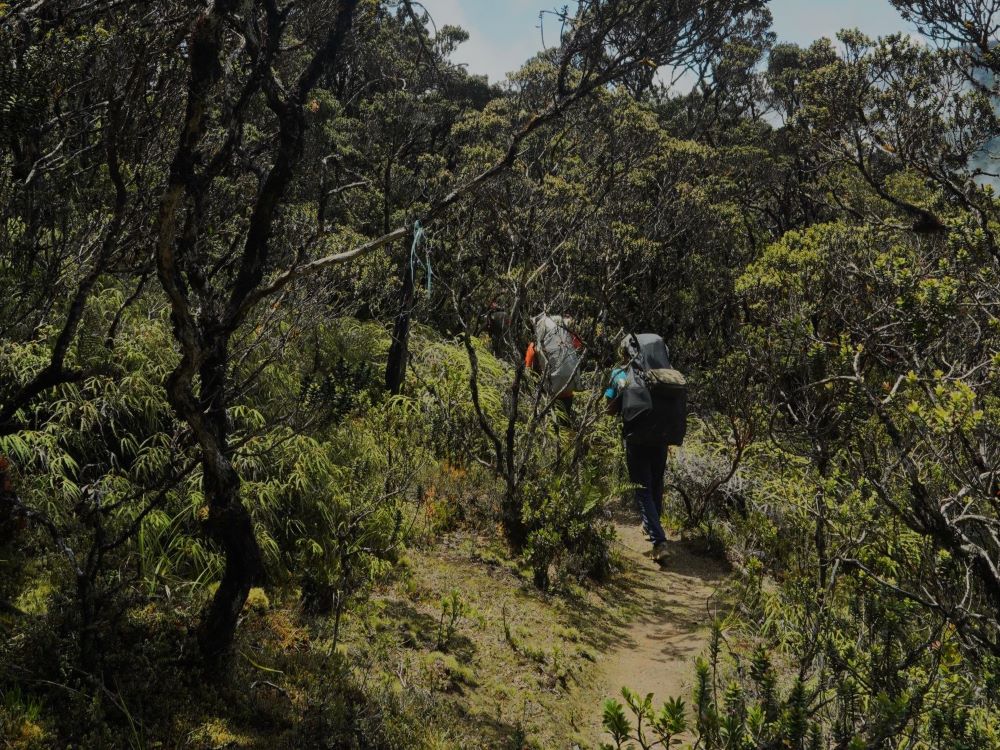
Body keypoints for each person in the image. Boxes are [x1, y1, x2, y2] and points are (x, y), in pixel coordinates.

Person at [605, 336, 675, 563]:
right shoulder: (666, 374)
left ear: (626, 352)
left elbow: (609, 409)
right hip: (661, 439)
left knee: (643, 489)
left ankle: (659, 542)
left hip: (636, 439)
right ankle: (652, 526)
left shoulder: (620, 374)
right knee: (656, 483)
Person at [524, 314, 582, 422]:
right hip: (568, 389)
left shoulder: (534, 346)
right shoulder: (566, 339)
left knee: (550, 423)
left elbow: (527, 371)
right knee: (565, 421)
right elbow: (579, 346)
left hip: (549, 393)